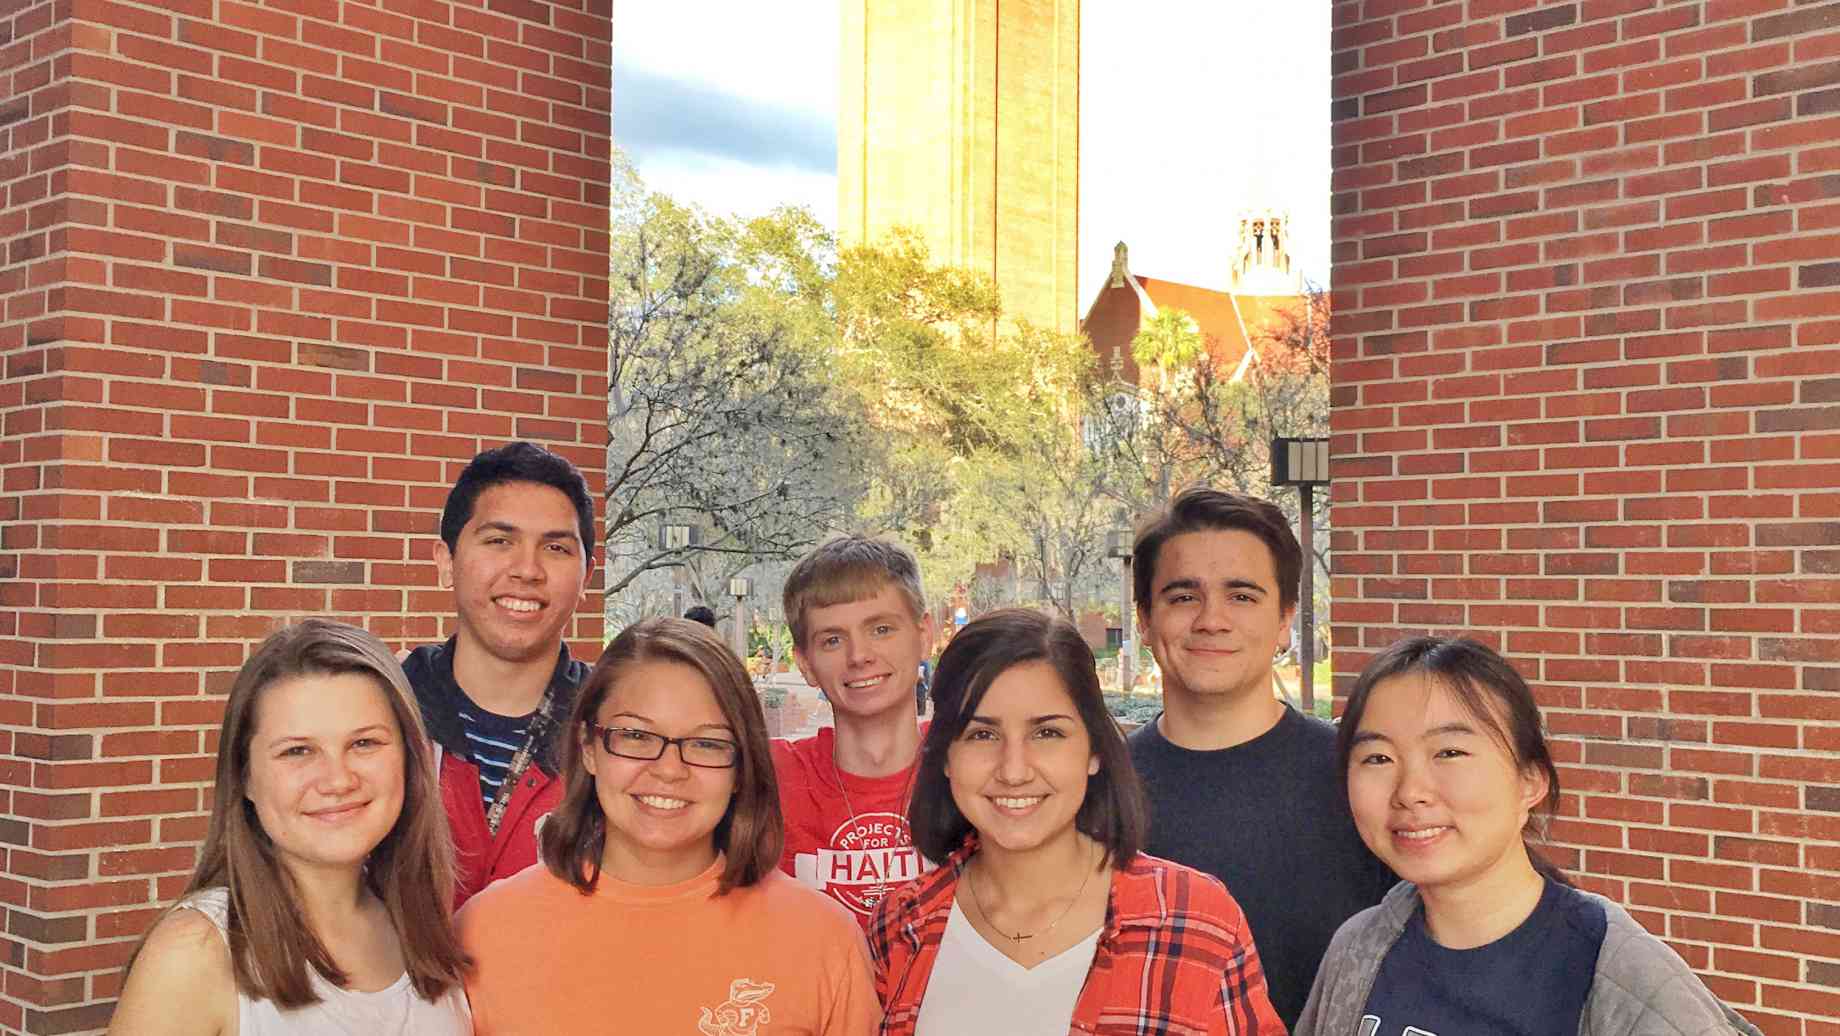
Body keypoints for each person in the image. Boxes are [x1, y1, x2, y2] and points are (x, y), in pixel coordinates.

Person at [1297, 636, 1762, 1036]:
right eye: (1378, 758)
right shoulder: (1358, 948)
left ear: (1530, 782)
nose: (1410, 792)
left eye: (1450, 751)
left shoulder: (1621, 975)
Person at [868, 609, 1282, 1035]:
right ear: (946, 758)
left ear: (1094, 751)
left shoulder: (1195, 919)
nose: (1014, 770)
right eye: (982, 735)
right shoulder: (900, 925)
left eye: (1047, 733)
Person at [458, 618, 879, 1034]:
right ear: (588, 748)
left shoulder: (822, 941)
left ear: (741, 769)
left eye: (706, 743)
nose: (669, 769)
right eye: (637, 736)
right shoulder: (482, 935)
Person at [109, 620, 471, 1035]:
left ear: (409, 759)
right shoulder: (195, 953)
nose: (337, 780)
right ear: (245, 776)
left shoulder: (423, 931)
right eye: (298, 751)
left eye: (364, 743)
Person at [1125, 486, 1394, 1027]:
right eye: (1183, 596)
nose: (1212, 619)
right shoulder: (1094, 787)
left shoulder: (1361, 778)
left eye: (1241, 596)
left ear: (1284, 622)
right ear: (1144, 620)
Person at [401, 441, 595, 906]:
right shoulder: (378, 711)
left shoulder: (623, 731)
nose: (527, 569)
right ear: (445, 562)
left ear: (586, 577)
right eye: (499, 541)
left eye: (555, 547)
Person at [772, 536, 937, 926]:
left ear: (924, 636)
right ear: (806, 664)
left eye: (881, 629)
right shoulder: (771, 776)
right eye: (832, 640)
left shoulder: (972, 765)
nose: (859, 655)